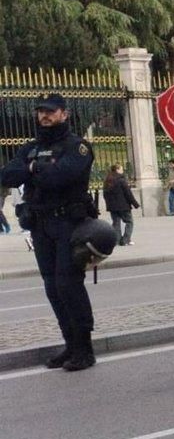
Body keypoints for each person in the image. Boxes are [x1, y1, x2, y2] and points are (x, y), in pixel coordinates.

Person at [1, 94, 97, 370]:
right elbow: (7, 175)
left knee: (69, 285)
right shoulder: (30, 148)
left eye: (50, 112)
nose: (44, 116)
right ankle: (70, 345)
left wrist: (29, 171)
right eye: (41, 111)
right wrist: (34, 167)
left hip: (69, 225)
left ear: (64, 114)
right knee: (53, 288)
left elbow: (59, 178)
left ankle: (84, 349)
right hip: (41, 225)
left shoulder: (77, 147)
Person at [101, 163, 139, 249]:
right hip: (123, 206)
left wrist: (109, 204)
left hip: (112, 207)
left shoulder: (107, 180)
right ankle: (126, 240)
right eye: (121, 169)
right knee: (129, 222)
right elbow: (128, 193)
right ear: (117, 170)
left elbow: (105, 194)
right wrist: (135, 204)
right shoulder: (121, 180)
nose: (123, 171)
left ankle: (116, 240)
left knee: (116, 223)